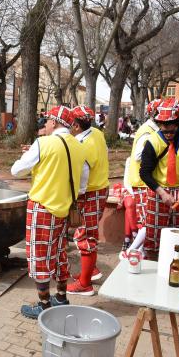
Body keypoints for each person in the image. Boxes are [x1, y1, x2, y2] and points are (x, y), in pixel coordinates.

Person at [11, 106, 88, 318]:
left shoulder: (43, 143)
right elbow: (82, 185)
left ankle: (44, 306)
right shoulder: (79, 146)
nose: (44, 124)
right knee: (60, 253)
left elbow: (16, 170)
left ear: (54, 122)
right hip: (64, 209)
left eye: (47, 121)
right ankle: (61, 297)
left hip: (42, 207)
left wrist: (32, 157)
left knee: (39, 256)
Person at [139, 99, 179, 259]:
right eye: (164, 129)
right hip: (159, 191)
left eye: (171, 130)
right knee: (153, 237)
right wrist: (161, 193)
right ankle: (152, 263)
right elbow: (145, 172)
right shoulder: (152, 141)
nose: (168, 134)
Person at [67, 106, 109, 296]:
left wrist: (77, 198)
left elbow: (83, 175)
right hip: (101, 188)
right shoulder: (97, 134)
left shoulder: (83, 145)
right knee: (89, 232)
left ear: (75, 125)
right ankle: (91, 271)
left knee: (84, 237)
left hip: (90, 193)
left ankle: (85, 285)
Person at [123, 99, 161, 256]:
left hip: (143, 182)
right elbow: (139, 155)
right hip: (142, 182)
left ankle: (137, 251)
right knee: (148, 222)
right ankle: (133, 252)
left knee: (147, 222)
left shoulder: (151, 130)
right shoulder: (147, 131)